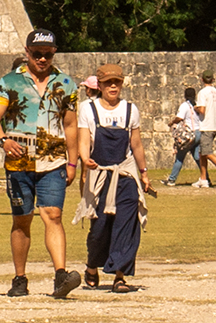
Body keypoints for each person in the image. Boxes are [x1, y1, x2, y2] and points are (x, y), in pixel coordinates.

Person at [0, 29, 78, 299]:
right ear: (27, 52)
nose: (42, 59)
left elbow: (70, 125)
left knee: (54, 216)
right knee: (22, 220)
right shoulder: (9, 82)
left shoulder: (65, 84)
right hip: (19, 163)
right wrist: (3, 140)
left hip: (53, 162)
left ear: (54, 53)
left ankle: (61, 275)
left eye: (47, 54)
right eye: (37, 54)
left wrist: (73, 162)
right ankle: (20, 277)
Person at [69, 64, 150, 294]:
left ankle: (120, 276)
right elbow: (84, 139)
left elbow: (136, 144)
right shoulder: (88, 108)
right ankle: (92, 265)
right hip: (100, 174)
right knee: (100, 227)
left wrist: (143, 173)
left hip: (125, 174)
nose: (112, 86)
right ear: (100, 85)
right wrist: (85, 159)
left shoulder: (130, 110)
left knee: (126, 224)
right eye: (107, 83)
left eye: (117, 82)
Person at [191, 73, 216, 188]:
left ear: (201, 79)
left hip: (206, 125)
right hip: (215, 124)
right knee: (201, 153)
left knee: (207, 152)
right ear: (213, 80)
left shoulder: (203, 93)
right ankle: (203, 179)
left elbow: (202, 110)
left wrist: (196, 108)